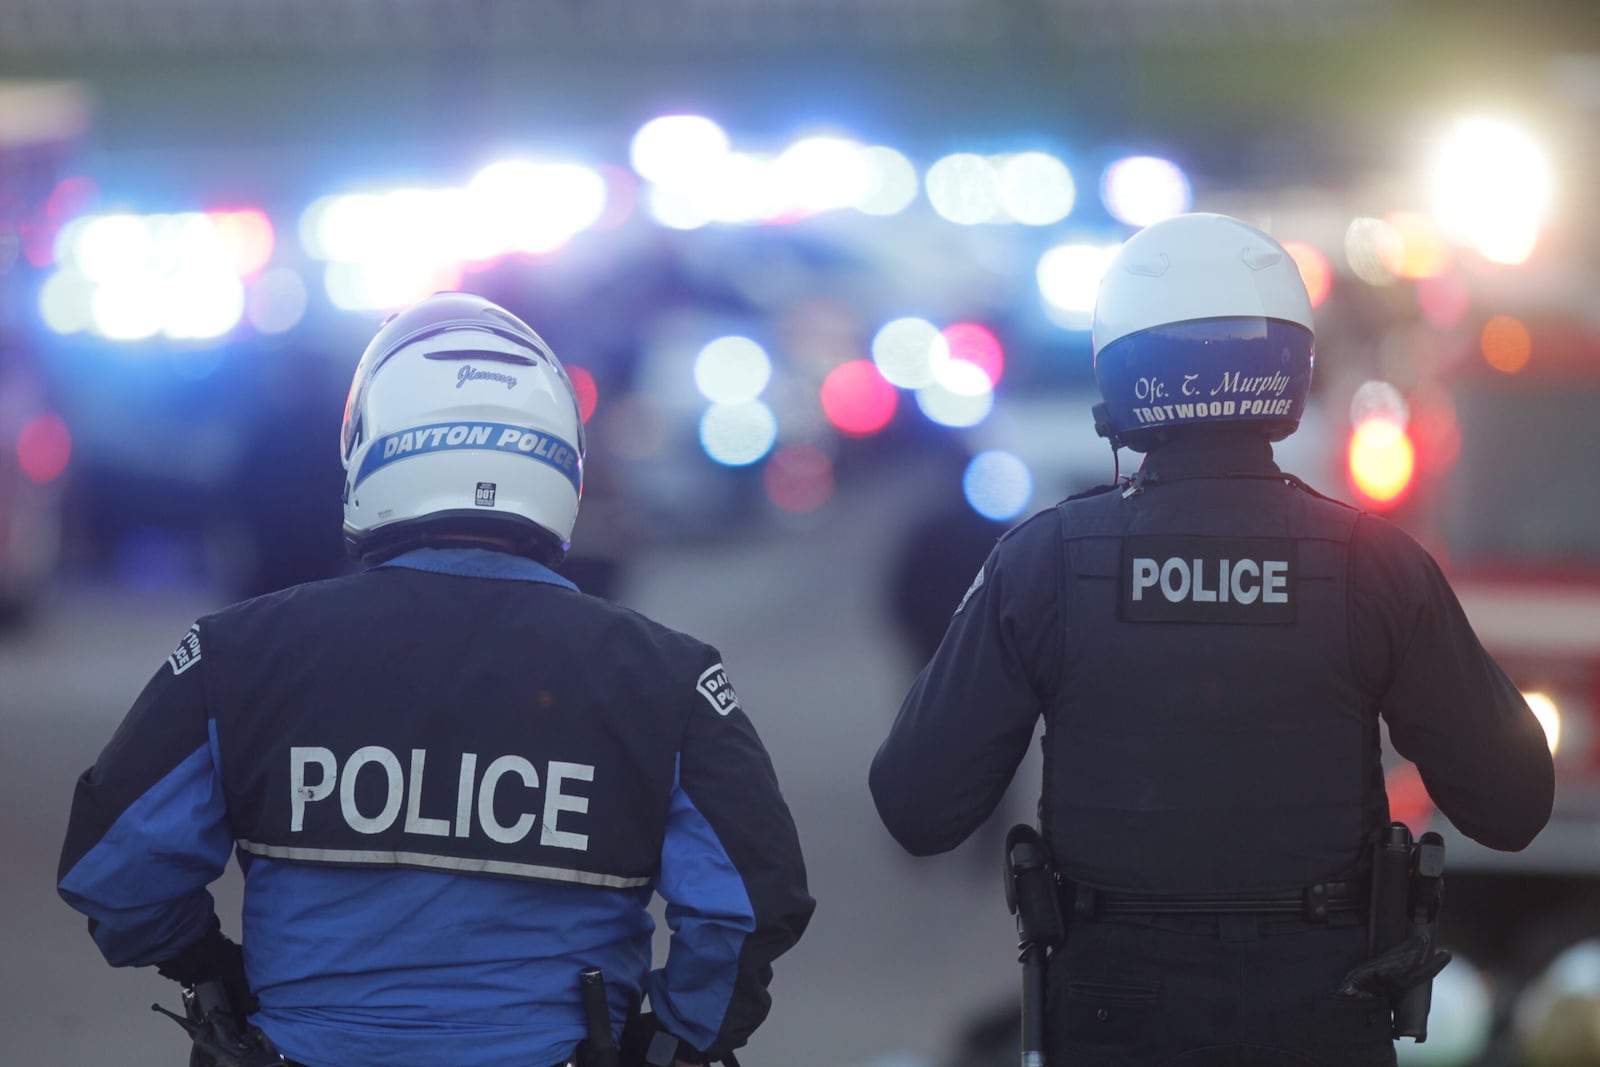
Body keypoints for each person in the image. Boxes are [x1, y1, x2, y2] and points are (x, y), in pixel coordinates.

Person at [58, 292, 814, 1067]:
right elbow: (750, 903)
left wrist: (210, 968)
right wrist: (678, 1040)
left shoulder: (237, 652)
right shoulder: (667, 675)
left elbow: (116, 872)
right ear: (561, 459)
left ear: (371, 447)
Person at [868, 213, 1555, 1066]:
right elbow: (1516, 804)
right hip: (1323, 1016)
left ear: (1119, 371)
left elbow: (916, 804)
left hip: (1111, 1020)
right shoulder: (1376, 567)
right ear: (1292, 367)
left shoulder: (1043, 564)